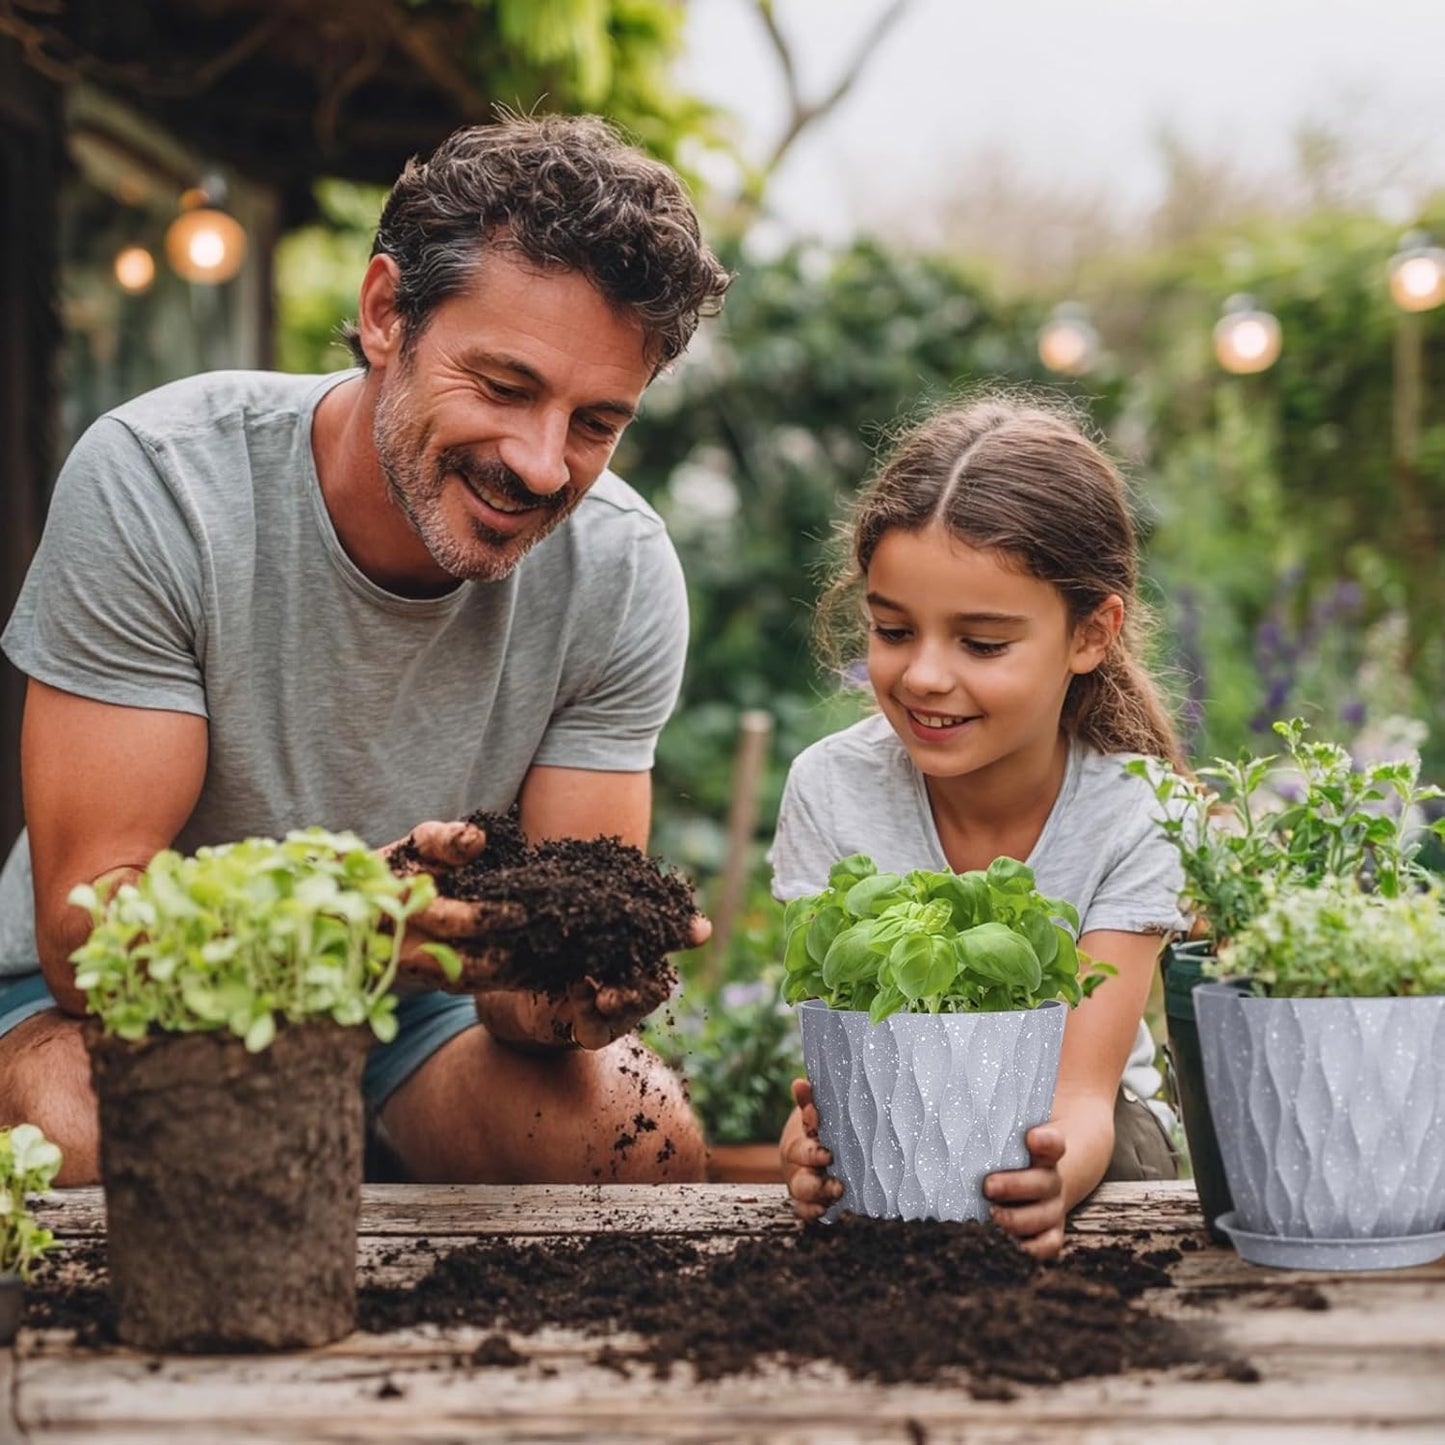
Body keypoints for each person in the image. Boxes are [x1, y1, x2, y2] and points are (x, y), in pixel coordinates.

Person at [0, 113, 731, 1186]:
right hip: (118, 1009)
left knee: (638, 1136)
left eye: (594, 422)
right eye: (504, 386)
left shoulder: (617, 570)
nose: (539, 464)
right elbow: (90, 933)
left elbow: (536, 986)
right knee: (107, 1137)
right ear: (386, 312)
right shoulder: (161, 481)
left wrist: (565, 987)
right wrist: (338, 924)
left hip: (416, 1015)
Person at [774, 395, 1187, 1258]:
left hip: (1092, 1152)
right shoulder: (829, 788)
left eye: (982, 643)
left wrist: (1045, 1186)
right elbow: (833, 1059)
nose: (923, 674)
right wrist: (807, 1143)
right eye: (892, 629)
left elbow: (1080, 1095)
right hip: (895, 1141)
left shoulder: (1137, 810)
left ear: (1090, 634)